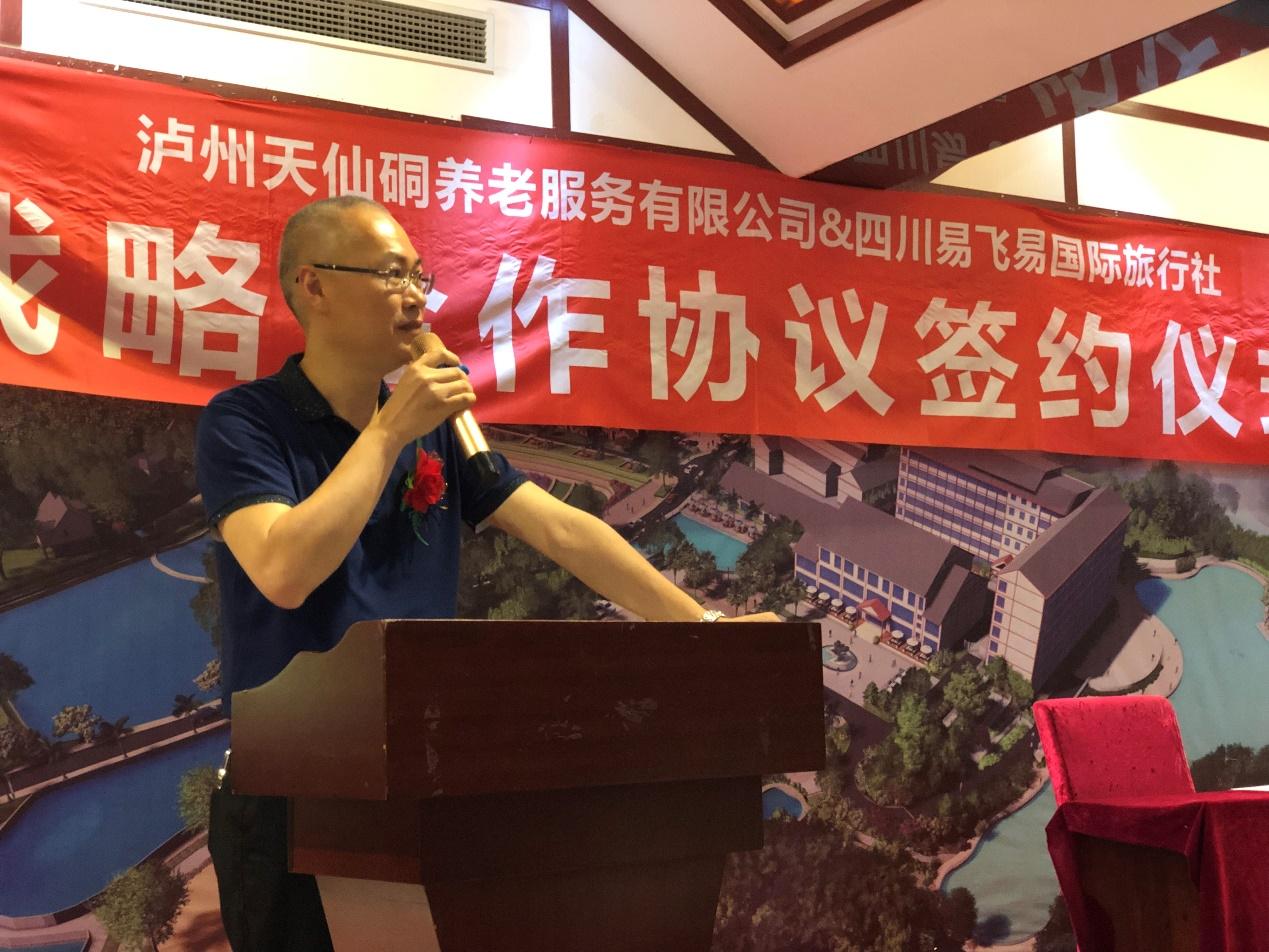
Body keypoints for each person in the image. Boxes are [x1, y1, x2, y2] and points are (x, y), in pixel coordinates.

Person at [194, 195, 776, 951]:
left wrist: (708, 631)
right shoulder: (246, 420)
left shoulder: (436, 429)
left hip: (414, 786)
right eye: (391, 274)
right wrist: (389, 430)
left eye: (419, 276)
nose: (415, 297)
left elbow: (562, 529)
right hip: (288, 793)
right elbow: (282, 571)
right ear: (314, 285)